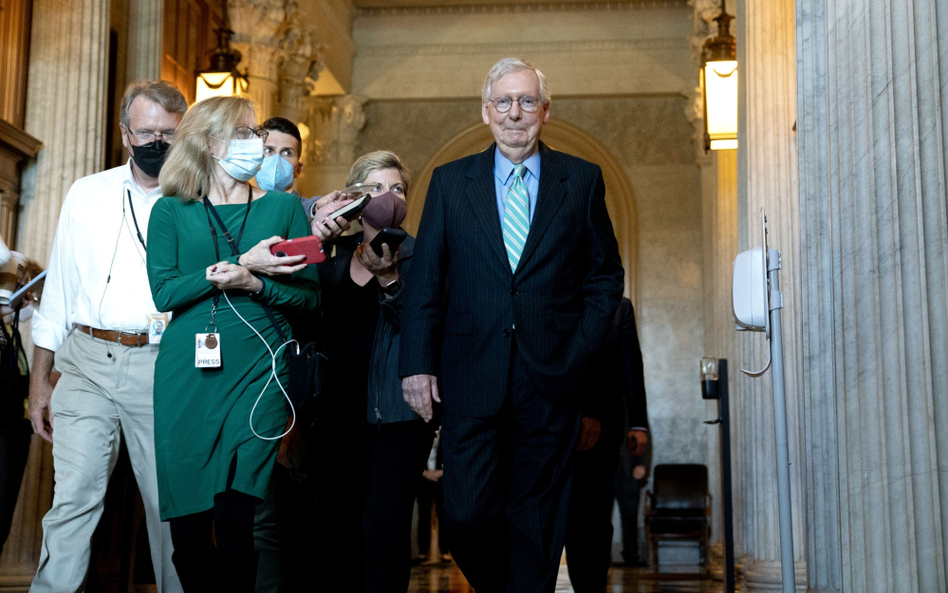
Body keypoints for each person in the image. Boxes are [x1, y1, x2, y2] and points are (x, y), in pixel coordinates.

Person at [399, 57, 625, 593]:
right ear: (486, 111)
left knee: (538, 522)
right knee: (467, 515)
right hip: (470, 375)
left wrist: (578, 353)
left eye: (527, 101)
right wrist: (417, 365)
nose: (515, 113)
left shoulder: (582, 180)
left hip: (552, 379)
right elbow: (427, 282)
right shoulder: (451, 183)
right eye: (504, 101)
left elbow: (605, 281)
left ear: (545, 111)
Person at [147, 95, 320, 592]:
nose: (258, 144)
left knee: (238, 522)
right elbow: (165, 291)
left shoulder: (283, 207)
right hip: (188, 375)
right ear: (208, 142)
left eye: (257, 133)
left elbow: (310, 301)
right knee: (190, 535)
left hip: (260, 372)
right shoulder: (171, 211)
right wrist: (236, 265)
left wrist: (256, 282)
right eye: (244, 133)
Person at [27, 80, 187, 593]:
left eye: (168, 133)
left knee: (169, 508)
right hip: (86, 361)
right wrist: (38, 381)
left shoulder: (196, 198)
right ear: (125, 134)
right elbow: (59, 292)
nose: (157, 142)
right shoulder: (86, 193)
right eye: (147, 132)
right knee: (71, 499)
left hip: (163, 364)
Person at [565, 296, 649, 591]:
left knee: (594, 522)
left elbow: (631, 368)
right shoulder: (543, 293)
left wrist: (638, 423)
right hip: (545, 428)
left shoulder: (618, 307)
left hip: (603, 432)